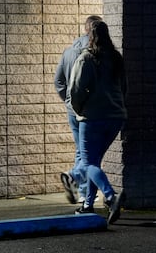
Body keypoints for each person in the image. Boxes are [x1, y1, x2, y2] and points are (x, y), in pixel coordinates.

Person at [67, 19, 127, 224]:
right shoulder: (116, 58)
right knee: (95, 162)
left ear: (90, 36)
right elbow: (124, 88)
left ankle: (111, 197)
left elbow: (75, 89)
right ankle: (88, 205)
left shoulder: (86, 58)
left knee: (88, 162)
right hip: (115, 117)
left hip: (92, 118)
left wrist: (79, 110)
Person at [54, 15, 102, 204]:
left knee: (81, 150)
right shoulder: (95, 52)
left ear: (85, 29)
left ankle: (82, 191)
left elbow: (58, 81)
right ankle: (76, 179)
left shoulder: (68, 52)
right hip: (89, 110)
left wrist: (69, 101)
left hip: (72, 110)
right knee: (90, 151)